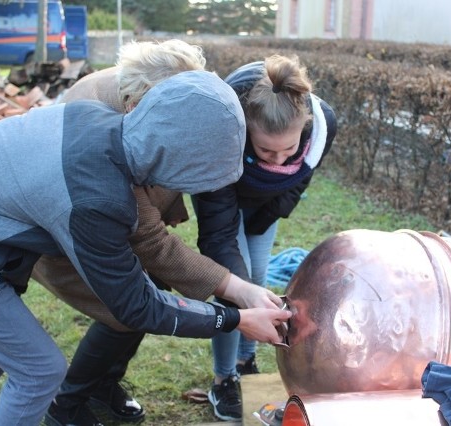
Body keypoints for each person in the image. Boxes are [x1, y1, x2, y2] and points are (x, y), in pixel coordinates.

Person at [0, 68, 292, 426]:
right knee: (39, 371)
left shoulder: (108, 129)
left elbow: (151, 241)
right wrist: (236, 320)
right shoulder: (95, 197)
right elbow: (137, 306)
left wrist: (241, 291)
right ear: (181, 154)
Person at [29, 40, 284, 426]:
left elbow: (194, 225)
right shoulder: (100, 116)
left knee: (145, 296)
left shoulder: (183, 99)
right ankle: (67, 405)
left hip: (116, 222)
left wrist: (243, 291)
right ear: (140, 103)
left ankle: (103, 386)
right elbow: (150, 240)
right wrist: (235, 305)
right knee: (128, 309)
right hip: (64, 234)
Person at [191, 55, 337, 421]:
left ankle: (246, 358)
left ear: (304, 127)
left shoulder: (323, 126)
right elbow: (219, 231)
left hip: (266, 202)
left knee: (258, 274)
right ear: (244, 132)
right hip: (222, 197)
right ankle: (224, 378)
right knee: (236, 286)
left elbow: (299, 181)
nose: (278, 158)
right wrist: (236, 287)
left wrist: (264, 218)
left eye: (287, 150)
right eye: (266, 150)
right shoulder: (220, 131)